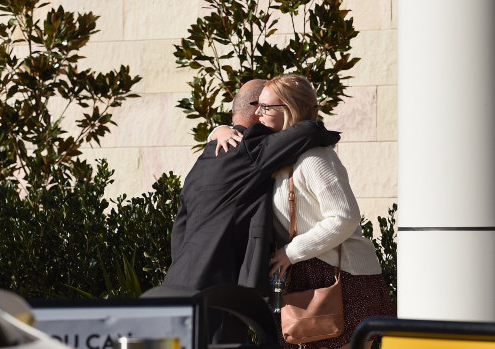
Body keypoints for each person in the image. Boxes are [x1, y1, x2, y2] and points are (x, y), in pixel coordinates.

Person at [211, 74, 394, 349]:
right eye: (257, 105)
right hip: (305, 277)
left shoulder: (316, 158)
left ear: (290, 109)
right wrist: (219, 130)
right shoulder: (280, 156)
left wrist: (290, 252)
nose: (257, 113)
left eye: (266, 107)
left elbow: (344, 217)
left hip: (341, 277)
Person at [159, 79, 341, 343]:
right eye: (267, 106)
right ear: (257, 109)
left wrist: (216, 131)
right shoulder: (250, 147)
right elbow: (310, 131)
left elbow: (181, 226)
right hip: (217, 294)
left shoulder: (205, 159)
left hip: (176, 285)